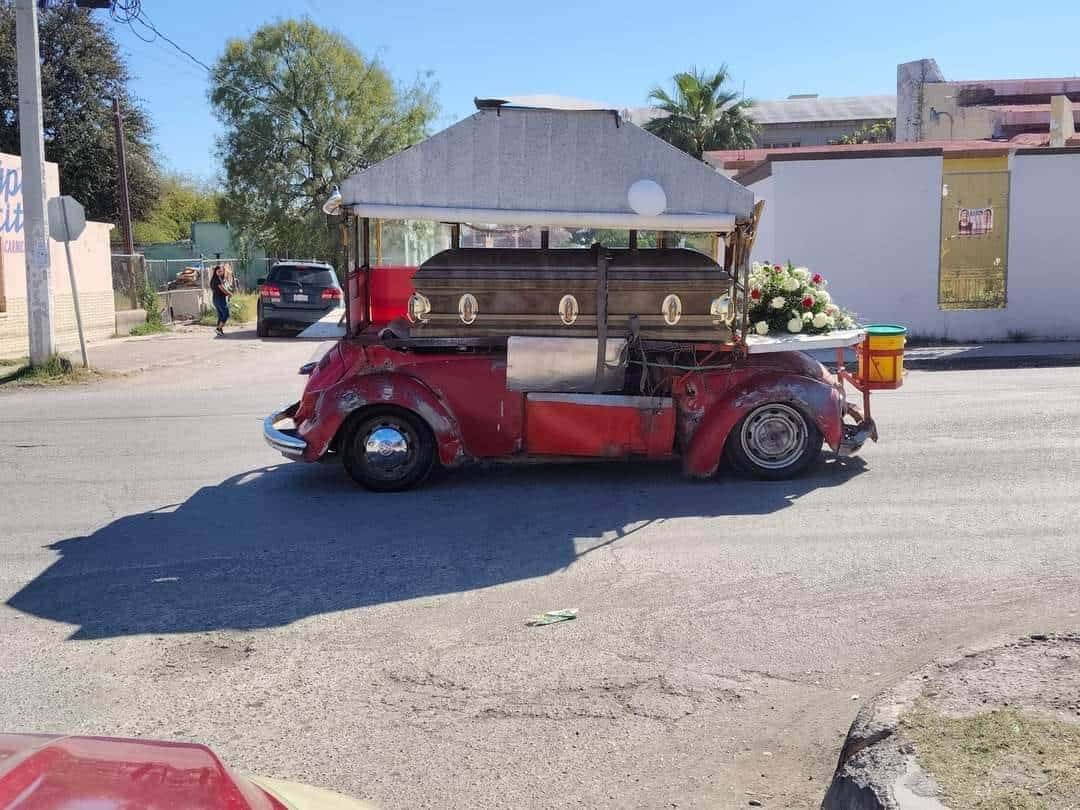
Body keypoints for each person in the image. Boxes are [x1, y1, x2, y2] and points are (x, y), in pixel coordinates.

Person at [209, 265, 232, 336]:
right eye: (218, 271)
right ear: (215, 272)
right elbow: (222, 288)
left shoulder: (215, 279)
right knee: (226, 314)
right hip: (219, 299)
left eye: (221, 271)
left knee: (221, 315)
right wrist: (229, 293)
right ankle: (218, 329)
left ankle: (220, 331)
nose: (220, 273)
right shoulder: (217, 280)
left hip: (216, 299)